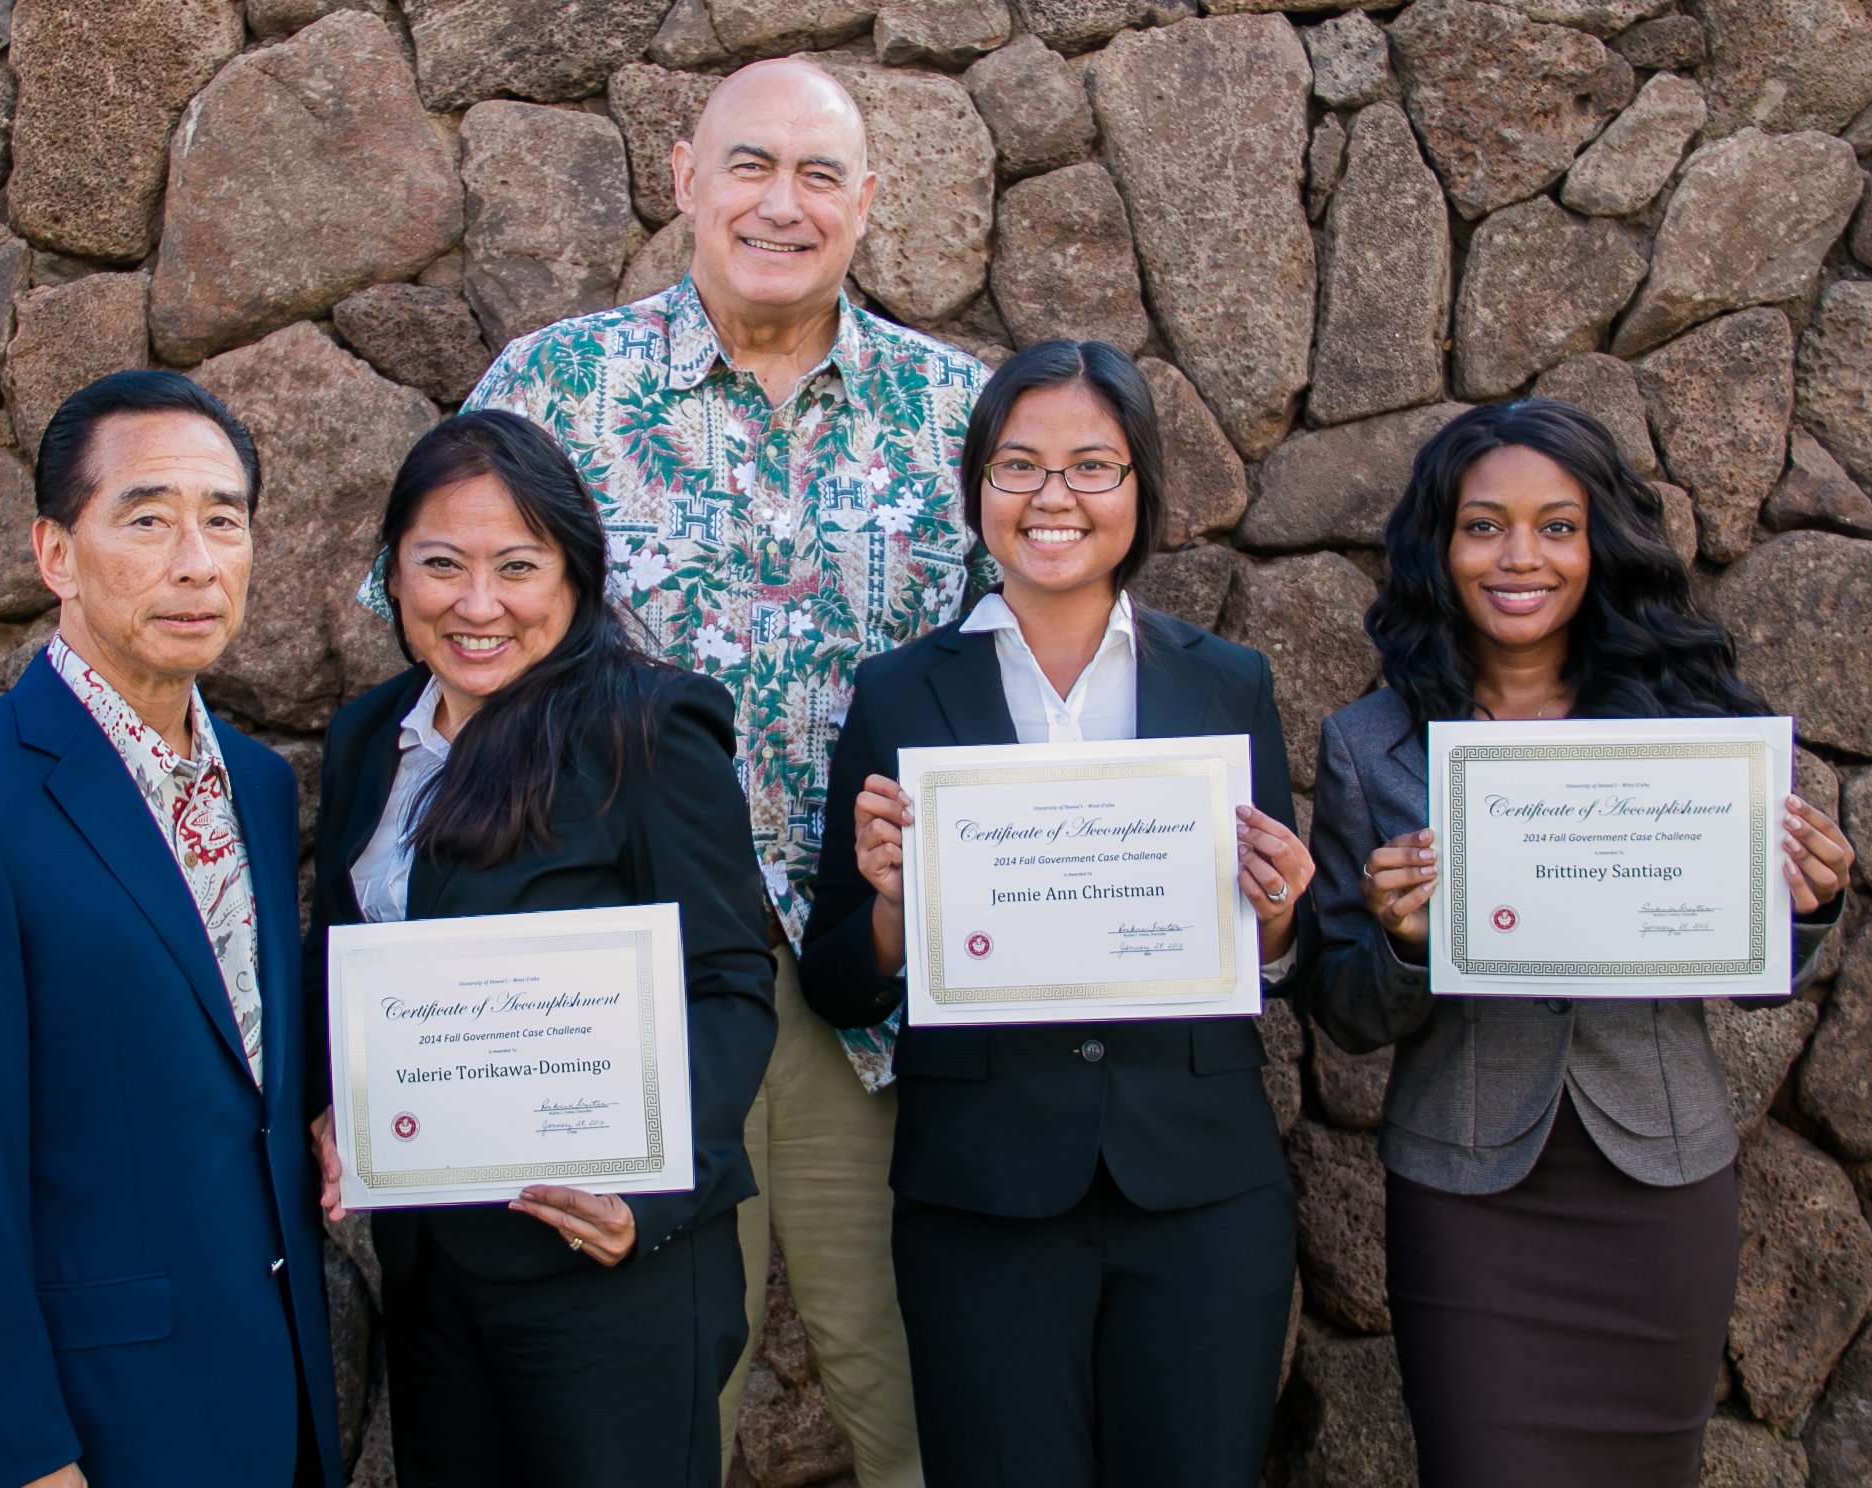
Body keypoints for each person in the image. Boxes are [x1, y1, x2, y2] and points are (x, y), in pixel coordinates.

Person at [404, 56, 993, 1482]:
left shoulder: (959, 413)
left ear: (868, 200)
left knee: (904, 1375)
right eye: (748, 164)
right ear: (681, 176)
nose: (779, 203)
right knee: (659, 1387)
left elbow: (1010, 681)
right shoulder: (553, 390)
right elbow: (447, 650)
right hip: (628, 986)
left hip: (880, 972)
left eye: (818, 174)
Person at [1305, 399, 1854, 1487]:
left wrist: (1802, 908)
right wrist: (1405, 943)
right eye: (1484, 526)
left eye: (1558, 526)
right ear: (1439, 545)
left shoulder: (1697, 735)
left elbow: (1755, 986)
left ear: (1601, 542)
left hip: (1660, 1182)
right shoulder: (1370, 747)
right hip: (1470, 1195)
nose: (1521, 557)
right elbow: (1349, 1016)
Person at [797, 342, 1315, 1488]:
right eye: (1019, 465)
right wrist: (890, 911)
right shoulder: (899, 692)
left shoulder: (1226, 682)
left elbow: (1286, 955)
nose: (1054, 498)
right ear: (979, 486)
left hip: (1198, 1190)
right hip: (982, 1198)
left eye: (1093, 466)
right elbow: (837, 978)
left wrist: (1279, 915)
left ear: (1140, 491)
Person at [0, 371, 339, 1488]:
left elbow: (222, 1058)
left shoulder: (256, 786)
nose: (196, 561)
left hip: (274, 1393)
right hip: (93, 1430)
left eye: (224, 520)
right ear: (56, 553)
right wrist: (18, 1457)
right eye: (148, 517)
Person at [307, 412, 777, 1488]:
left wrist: (647, 1200)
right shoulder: (365, 741)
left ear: (573, 572)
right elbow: (348, 961)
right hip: (427, 1270)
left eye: (518, 566)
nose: (478, 606)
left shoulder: (646, 728)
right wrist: (344, 1102)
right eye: (440, 565)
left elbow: (729, 986)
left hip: (605, 1273)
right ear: (392, 572)